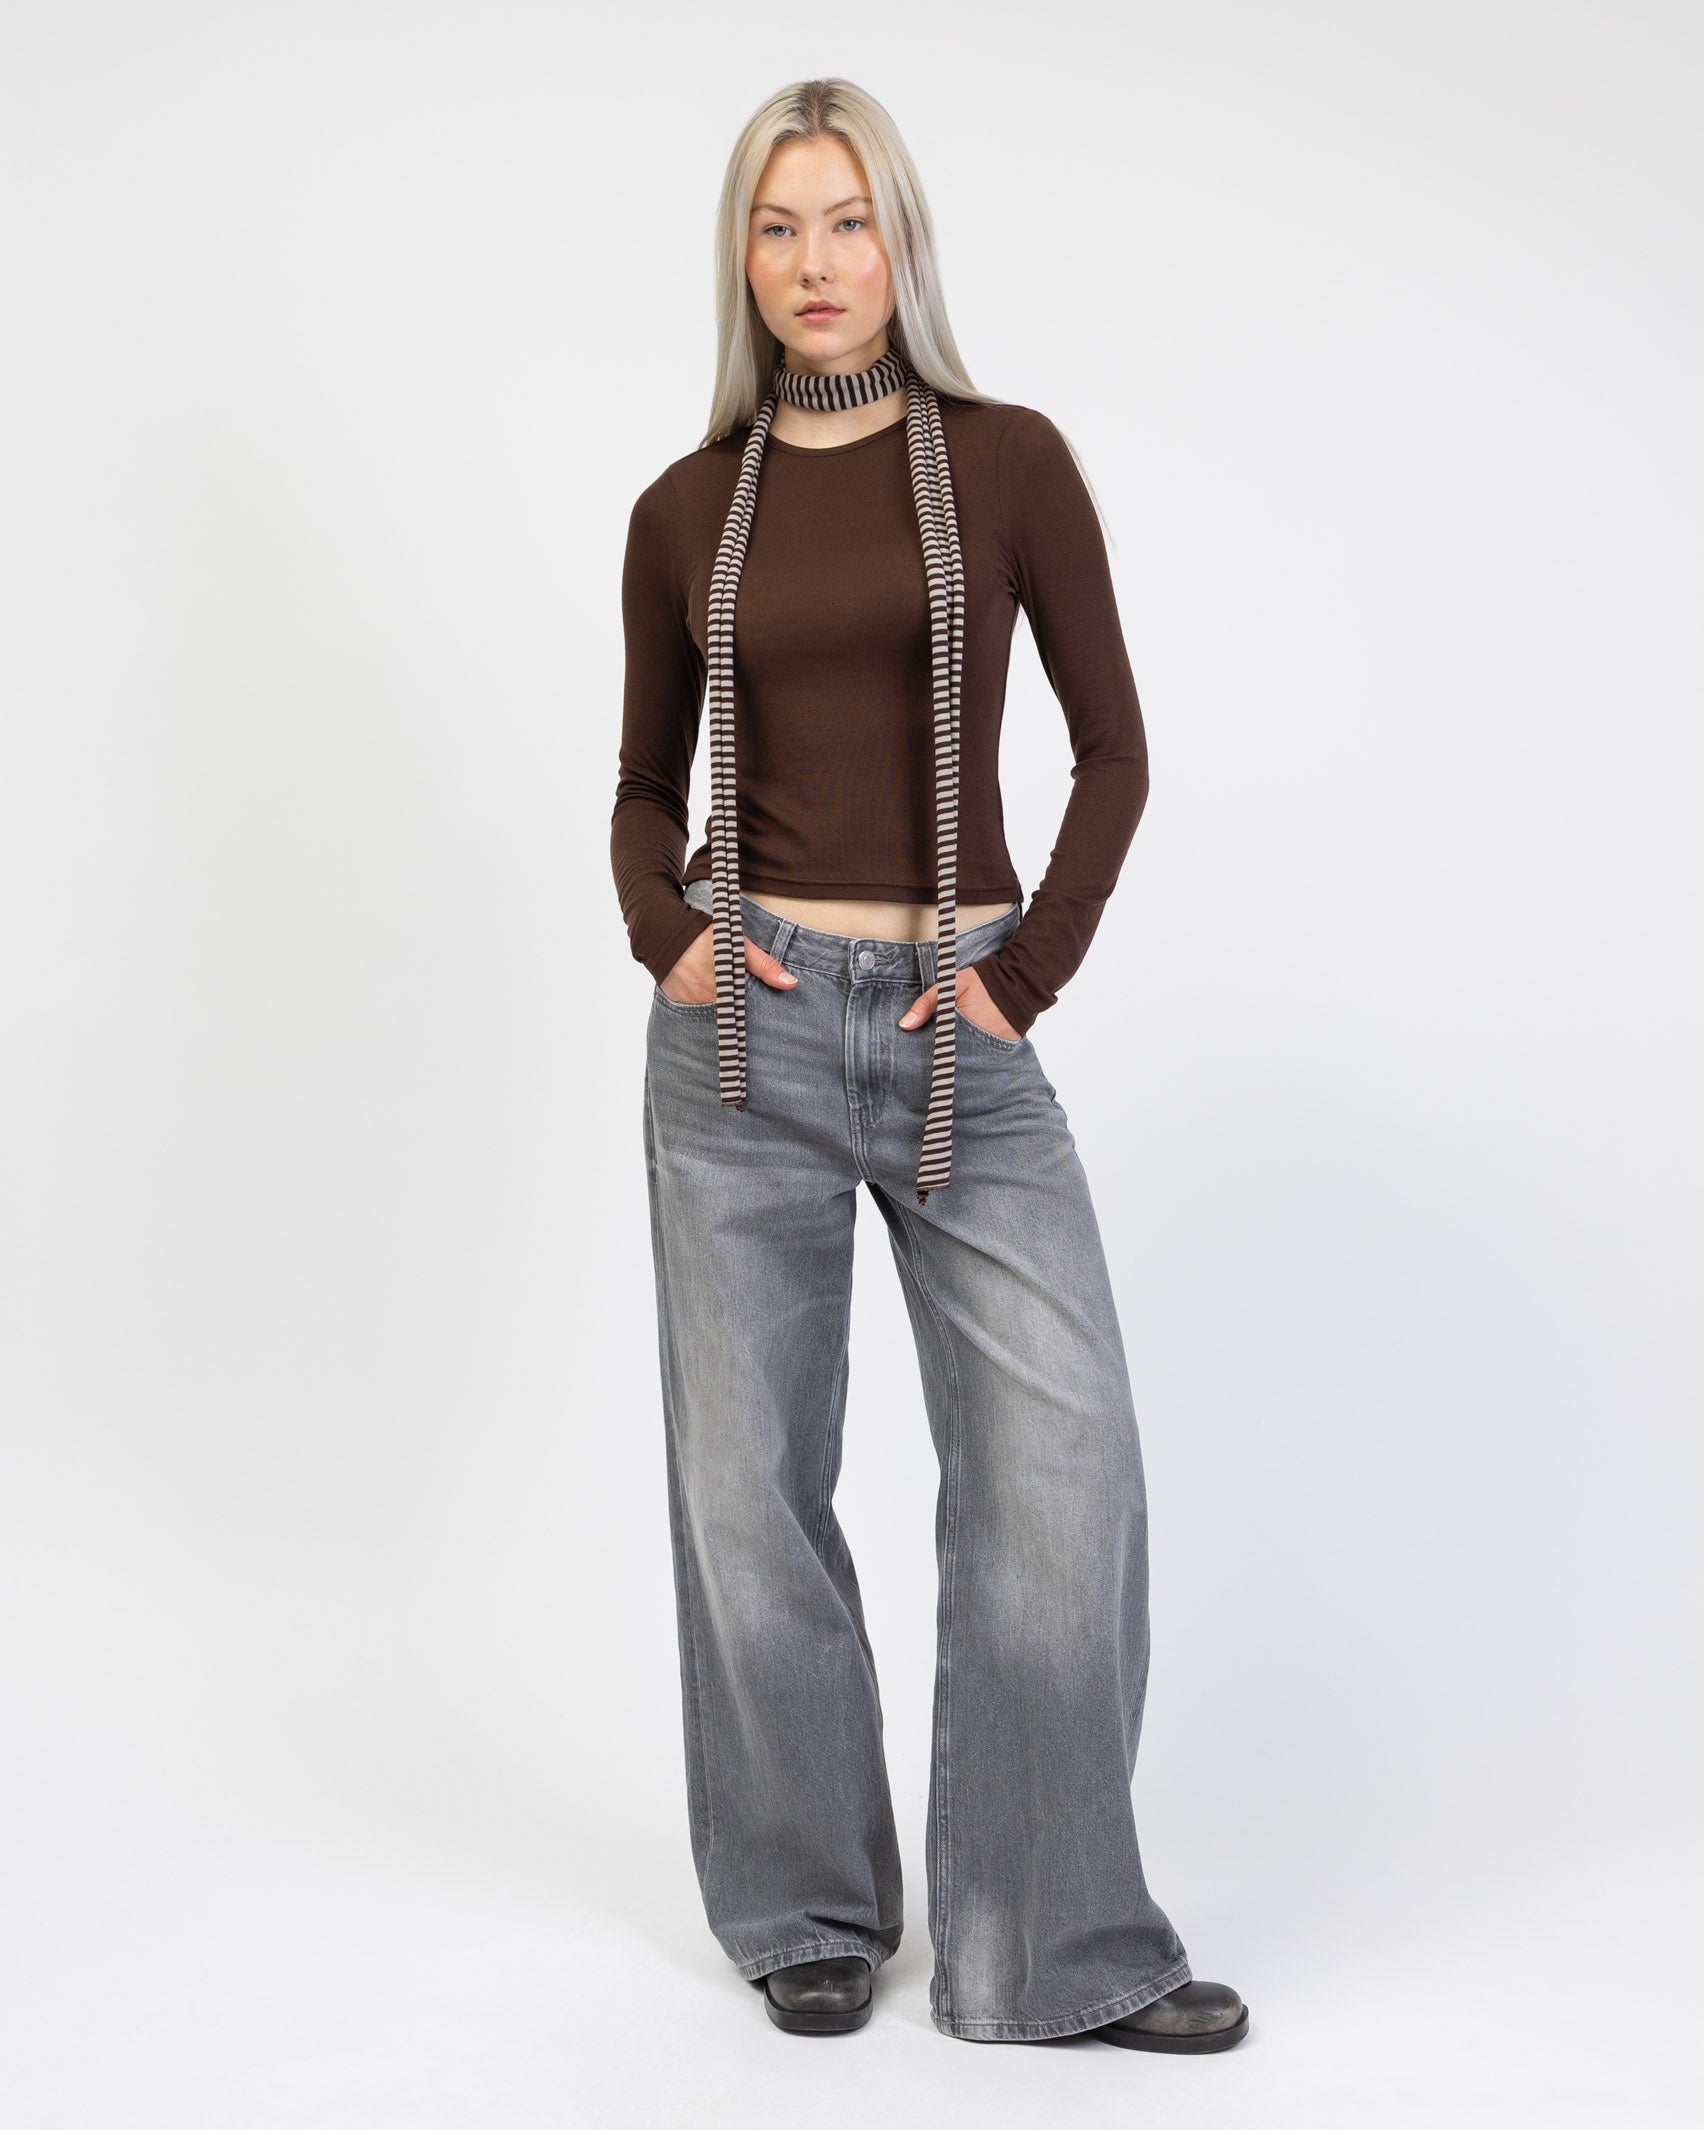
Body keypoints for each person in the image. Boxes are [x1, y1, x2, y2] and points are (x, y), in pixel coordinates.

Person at [609, 76, 1248, 2053]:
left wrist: (1023, 976)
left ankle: (1051, 1941)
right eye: (780, 224)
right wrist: (664, 931)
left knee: (1064, 1468)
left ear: (903, 241)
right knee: (748, 1493)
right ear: (743, 257)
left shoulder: (1008, 461)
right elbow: (644, 789)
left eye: (850, 220)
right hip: (741, 1036)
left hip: (954, 1020)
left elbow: (1116, 751)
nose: (817, 262)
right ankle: (805, 1904)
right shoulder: (684, 508)